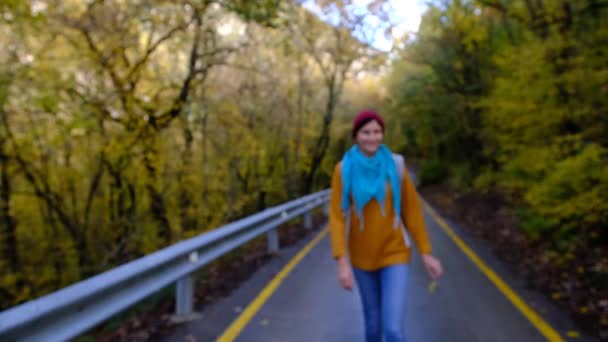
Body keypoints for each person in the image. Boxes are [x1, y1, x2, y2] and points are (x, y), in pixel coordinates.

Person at [328, 110, 443, 342]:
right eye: (366, 132)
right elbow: (337, 216)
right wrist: (342, 261)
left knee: (392, 330)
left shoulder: (396, 166)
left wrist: (426, 252)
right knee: (373, 325)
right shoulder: (344, 170)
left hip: (395, 252)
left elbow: (412, 211)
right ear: (356, 136)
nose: (372, 137)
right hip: (362, 256)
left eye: (377, 131)